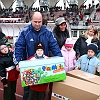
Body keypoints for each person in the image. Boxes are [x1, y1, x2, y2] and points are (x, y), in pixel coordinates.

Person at [13, 11, 62, 100]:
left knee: (41, 91)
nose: (37, 24)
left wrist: (60, 60)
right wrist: (17, 62)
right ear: (31, 20)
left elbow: (54, 46)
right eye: (35, 22)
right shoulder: (24, 32)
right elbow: (18, 47)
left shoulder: (47, 32)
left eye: (39, 22)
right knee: (28, 92)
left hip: (42, 67)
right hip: (28, 67)